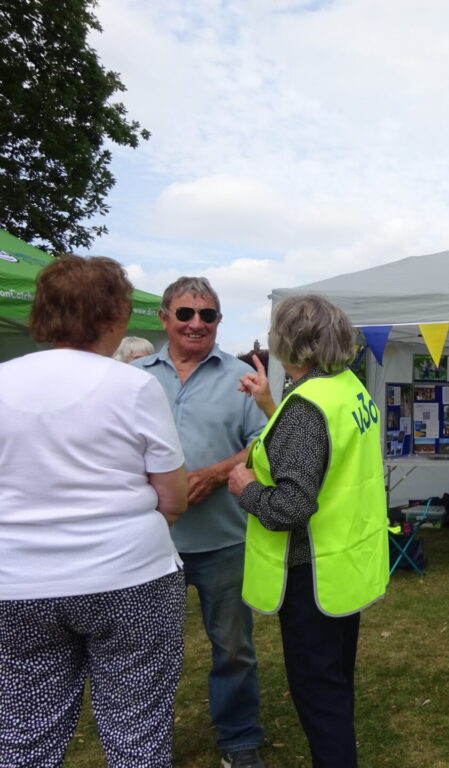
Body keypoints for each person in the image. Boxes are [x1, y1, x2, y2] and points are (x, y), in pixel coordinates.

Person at [0, 255, 188, 767]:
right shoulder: (132, 386)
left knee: (23, 740)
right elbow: (173, 497)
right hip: (128, 578)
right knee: (136, 736)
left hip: (17, 584)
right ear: (117, 316)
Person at [226, 295, 389, 768]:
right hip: (344, 567)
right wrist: (269, 405)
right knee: (335, 687)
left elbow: (293, 503)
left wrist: (245, 487)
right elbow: (317, 451)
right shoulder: (347, 388)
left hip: (310, 574)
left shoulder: (307, 407)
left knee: (319, 698)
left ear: (286, 343)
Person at [134, 277, 268, 768]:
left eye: (207, 316)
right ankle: (145, 744)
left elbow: (264, 442)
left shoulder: (240, 377)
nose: (196, 324)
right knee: (146, 651)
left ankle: (238, 739)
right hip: (149, 541)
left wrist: (214, 474)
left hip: (223, 539)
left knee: (233, 647)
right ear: (164, 317)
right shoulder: (135, 375)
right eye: (186, 314)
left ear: (218, 322)